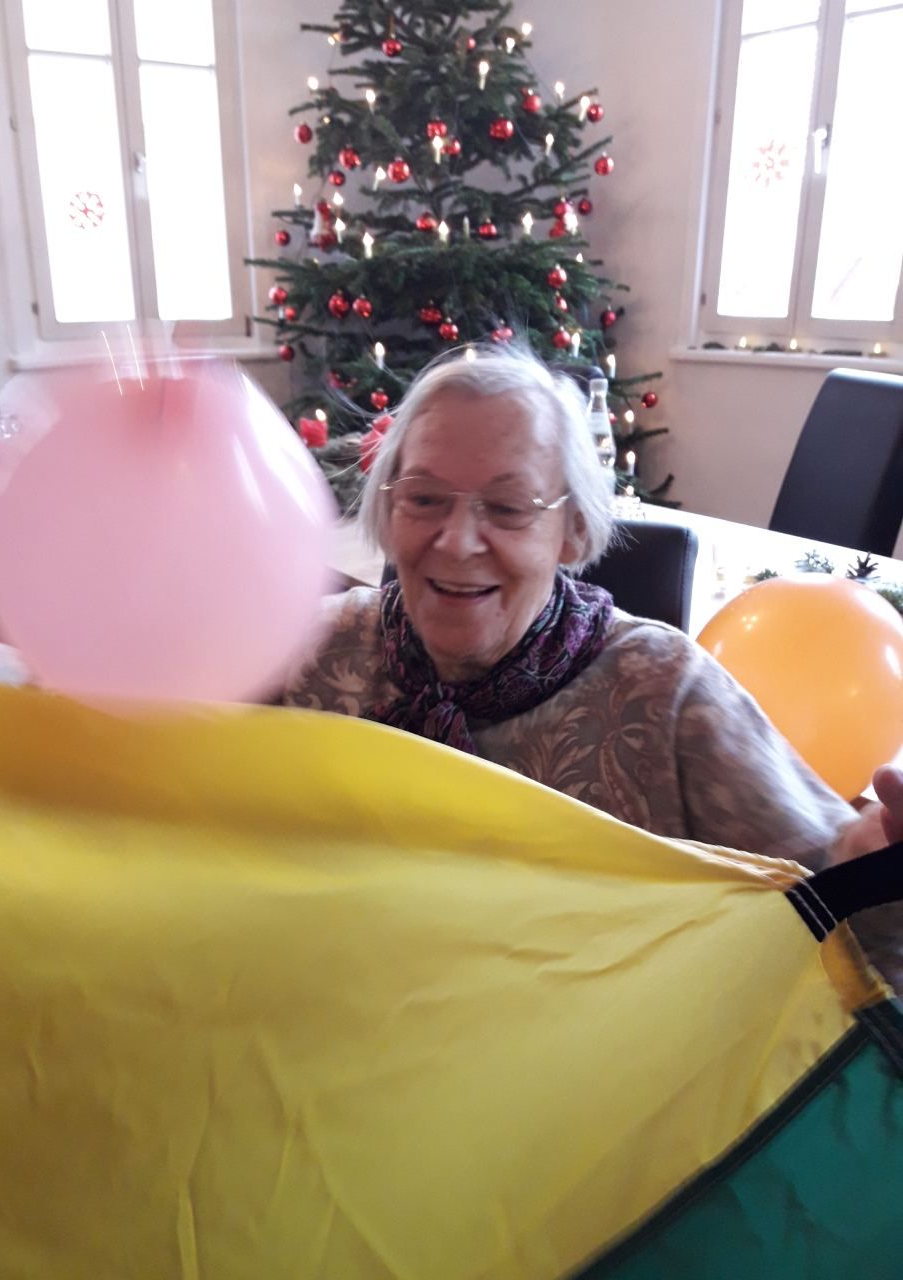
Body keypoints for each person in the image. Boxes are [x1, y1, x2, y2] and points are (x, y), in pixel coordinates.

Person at [281, 346, 903, 981]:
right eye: (425, 498)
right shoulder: (315, 648)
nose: (459, 540)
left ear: (574, 530)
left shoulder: (664, 691)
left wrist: (884, 859)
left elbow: (835, 896)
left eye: (508, 507)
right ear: (389, 509)